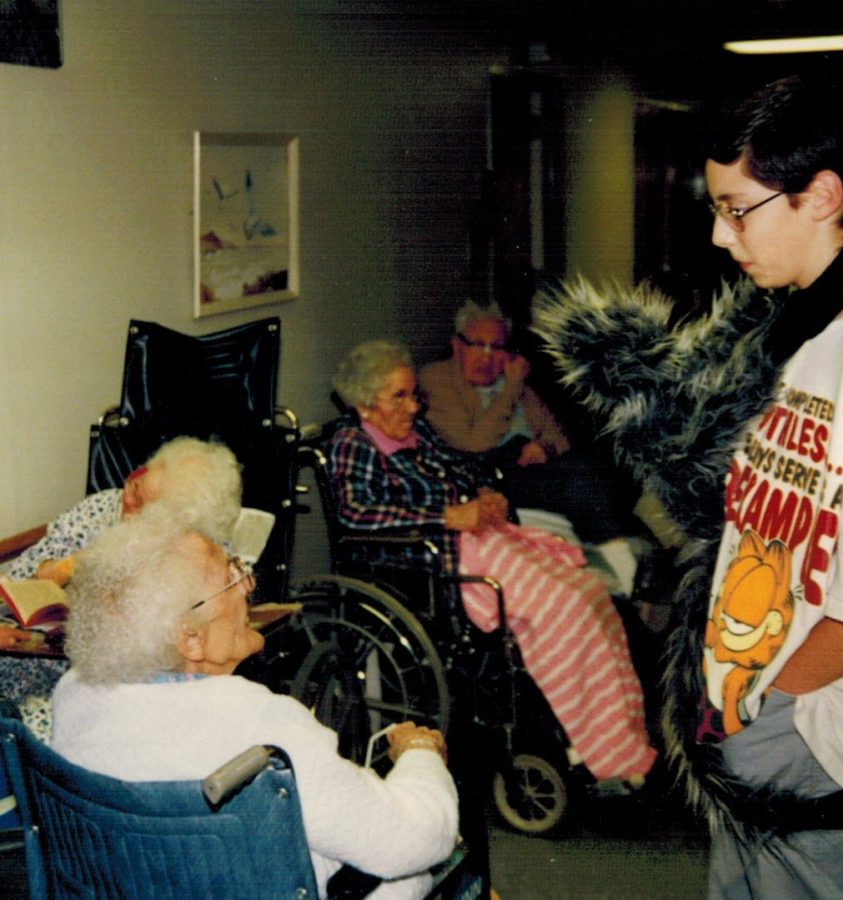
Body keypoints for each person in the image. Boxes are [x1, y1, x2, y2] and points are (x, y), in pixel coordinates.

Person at [534, 75, 843, 898]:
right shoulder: (812, 327)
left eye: (736, 207)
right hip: (756, 710)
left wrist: (765, 706)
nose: (718, 234)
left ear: (822, 196)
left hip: (819, 733)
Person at [50, 506, 457, 900]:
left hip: (131, 885)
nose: (249, 586)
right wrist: (420, 753)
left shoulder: (74, 693)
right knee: (435, 855)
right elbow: (412, 841)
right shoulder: (259, 730)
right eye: (231, 577)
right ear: (190, 638)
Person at [327, 340, 657, 787]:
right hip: (434, 560)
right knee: (566, 609)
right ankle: (596, 742)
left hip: (483, 539)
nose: (413, 406)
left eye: (413, 394)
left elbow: (462, 468)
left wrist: (486, 494)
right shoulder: (353, 442)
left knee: (589, 593)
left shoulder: (415, 432)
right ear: (366, 404)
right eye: (399, 396)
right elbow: (356, 513)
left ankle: (616, 735)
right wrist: (444, 516)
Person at [0, 436, 243, 706]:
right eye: (135, 488)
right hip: (22, 653)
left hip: (102, 684)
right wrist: (63, 568)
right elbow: (16, 583)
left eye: (145, 512)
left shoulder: (202, 555)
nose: (127, 503)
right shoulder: (99, 509)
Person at [419, 300, 635, 547]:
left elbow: (559, 438)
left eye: (497, 347)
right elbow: (473, 443)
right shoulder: (437, 378)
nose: (487, 358)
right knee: (579, 476)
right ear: (457, 346)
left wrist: (544, 449)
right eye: (477, 345)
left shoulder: (519, 384)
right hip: (490, 473)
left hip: (534, 468)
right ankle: (619, 554)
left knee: (610, 456)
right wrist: (511, 387)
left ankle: (631, 543)